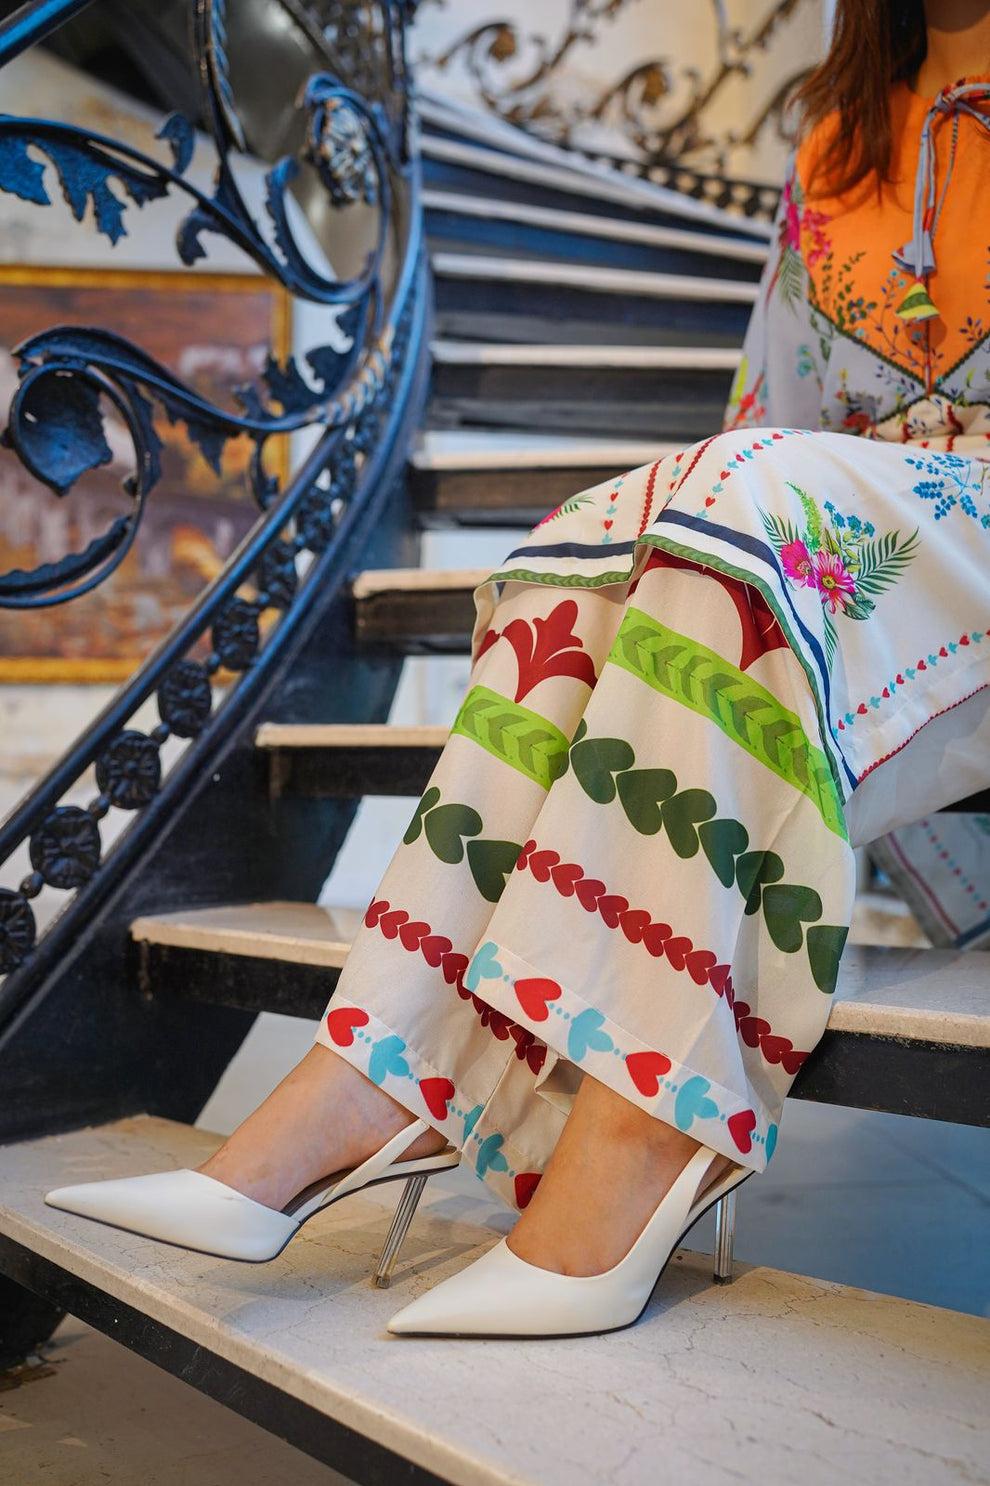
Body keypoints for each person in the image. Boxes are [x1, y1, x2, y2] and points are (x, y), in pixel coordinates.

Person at [46, 0, 990, 1338]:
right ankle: (374, 1071)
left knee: (744, 506)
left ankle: (642, 1128)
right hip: (851, 561)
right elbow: (770, 417)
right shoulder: (838, 141)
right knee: (591, 539)